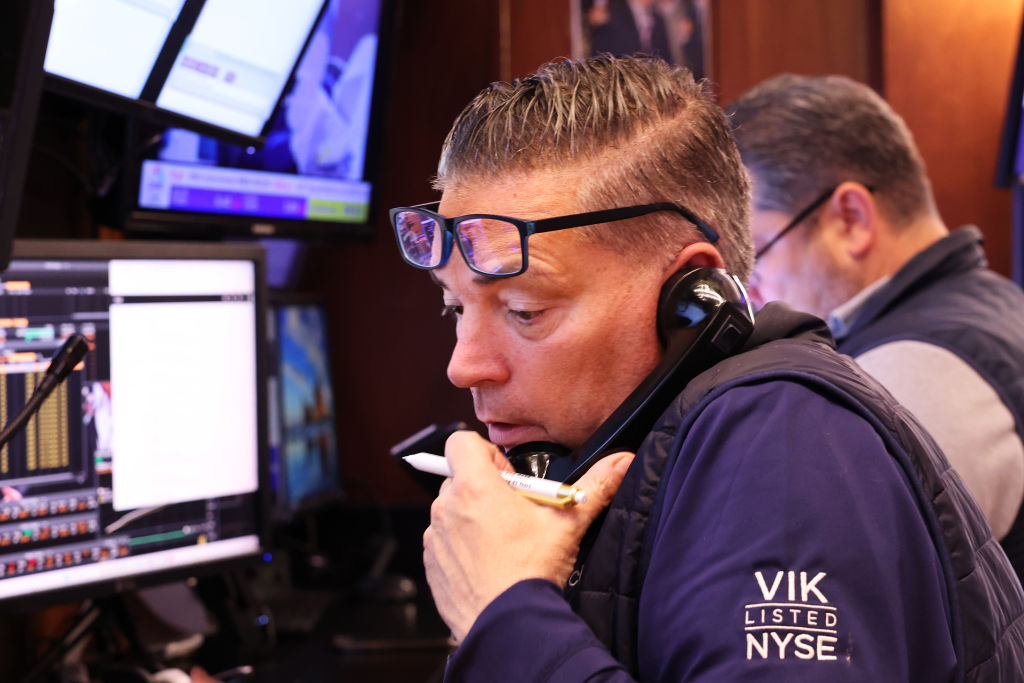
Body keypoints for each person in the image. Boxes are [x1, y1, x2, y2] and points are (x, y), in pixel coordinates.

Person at [390, 55, 1024, 681]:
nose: (464, 366)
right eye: (456, 308)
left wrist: (506, 618)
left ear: (688, 298)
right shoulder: (663, 447)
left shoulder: (782, 441)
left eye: (525, 311)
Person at [727, 74, 1024, 585]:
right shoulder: (997, 302)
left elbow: (831, 594)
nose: (749, 293)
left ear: (851, 218)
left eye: (757, 255)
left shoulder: (912, 374)